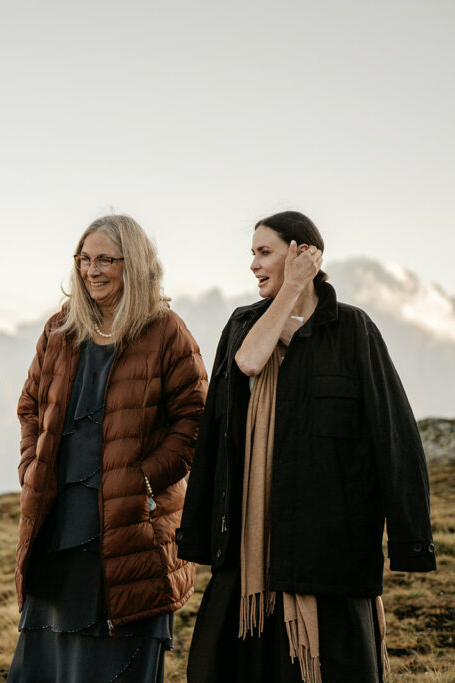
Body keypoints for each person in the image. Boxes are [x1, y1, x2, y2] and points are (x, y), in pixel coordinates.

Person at [177, 211, 436, 683]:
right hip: (247, 553)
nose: (253, 265)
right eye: (252, 254)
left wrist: (409, 542)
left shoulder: (353, 330)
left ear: (301, 254)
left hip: (329, 555)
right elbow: (248, 367)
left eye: (264, 252)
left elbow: (394, 437)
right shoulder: (243, 326)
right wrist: (293, 288)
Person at [10, 214, 207, 682]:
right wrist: (30, 465)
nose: (92, 270)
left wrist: (143, 479)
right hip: (57, 528)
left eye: (105, 260)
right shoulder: (60, 329)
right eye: (84, 259)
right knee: (49, 667)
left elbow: (195, 422)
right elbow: (30, 406)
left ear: (133, 264)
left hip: (130, 532)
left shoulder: (166, 331)